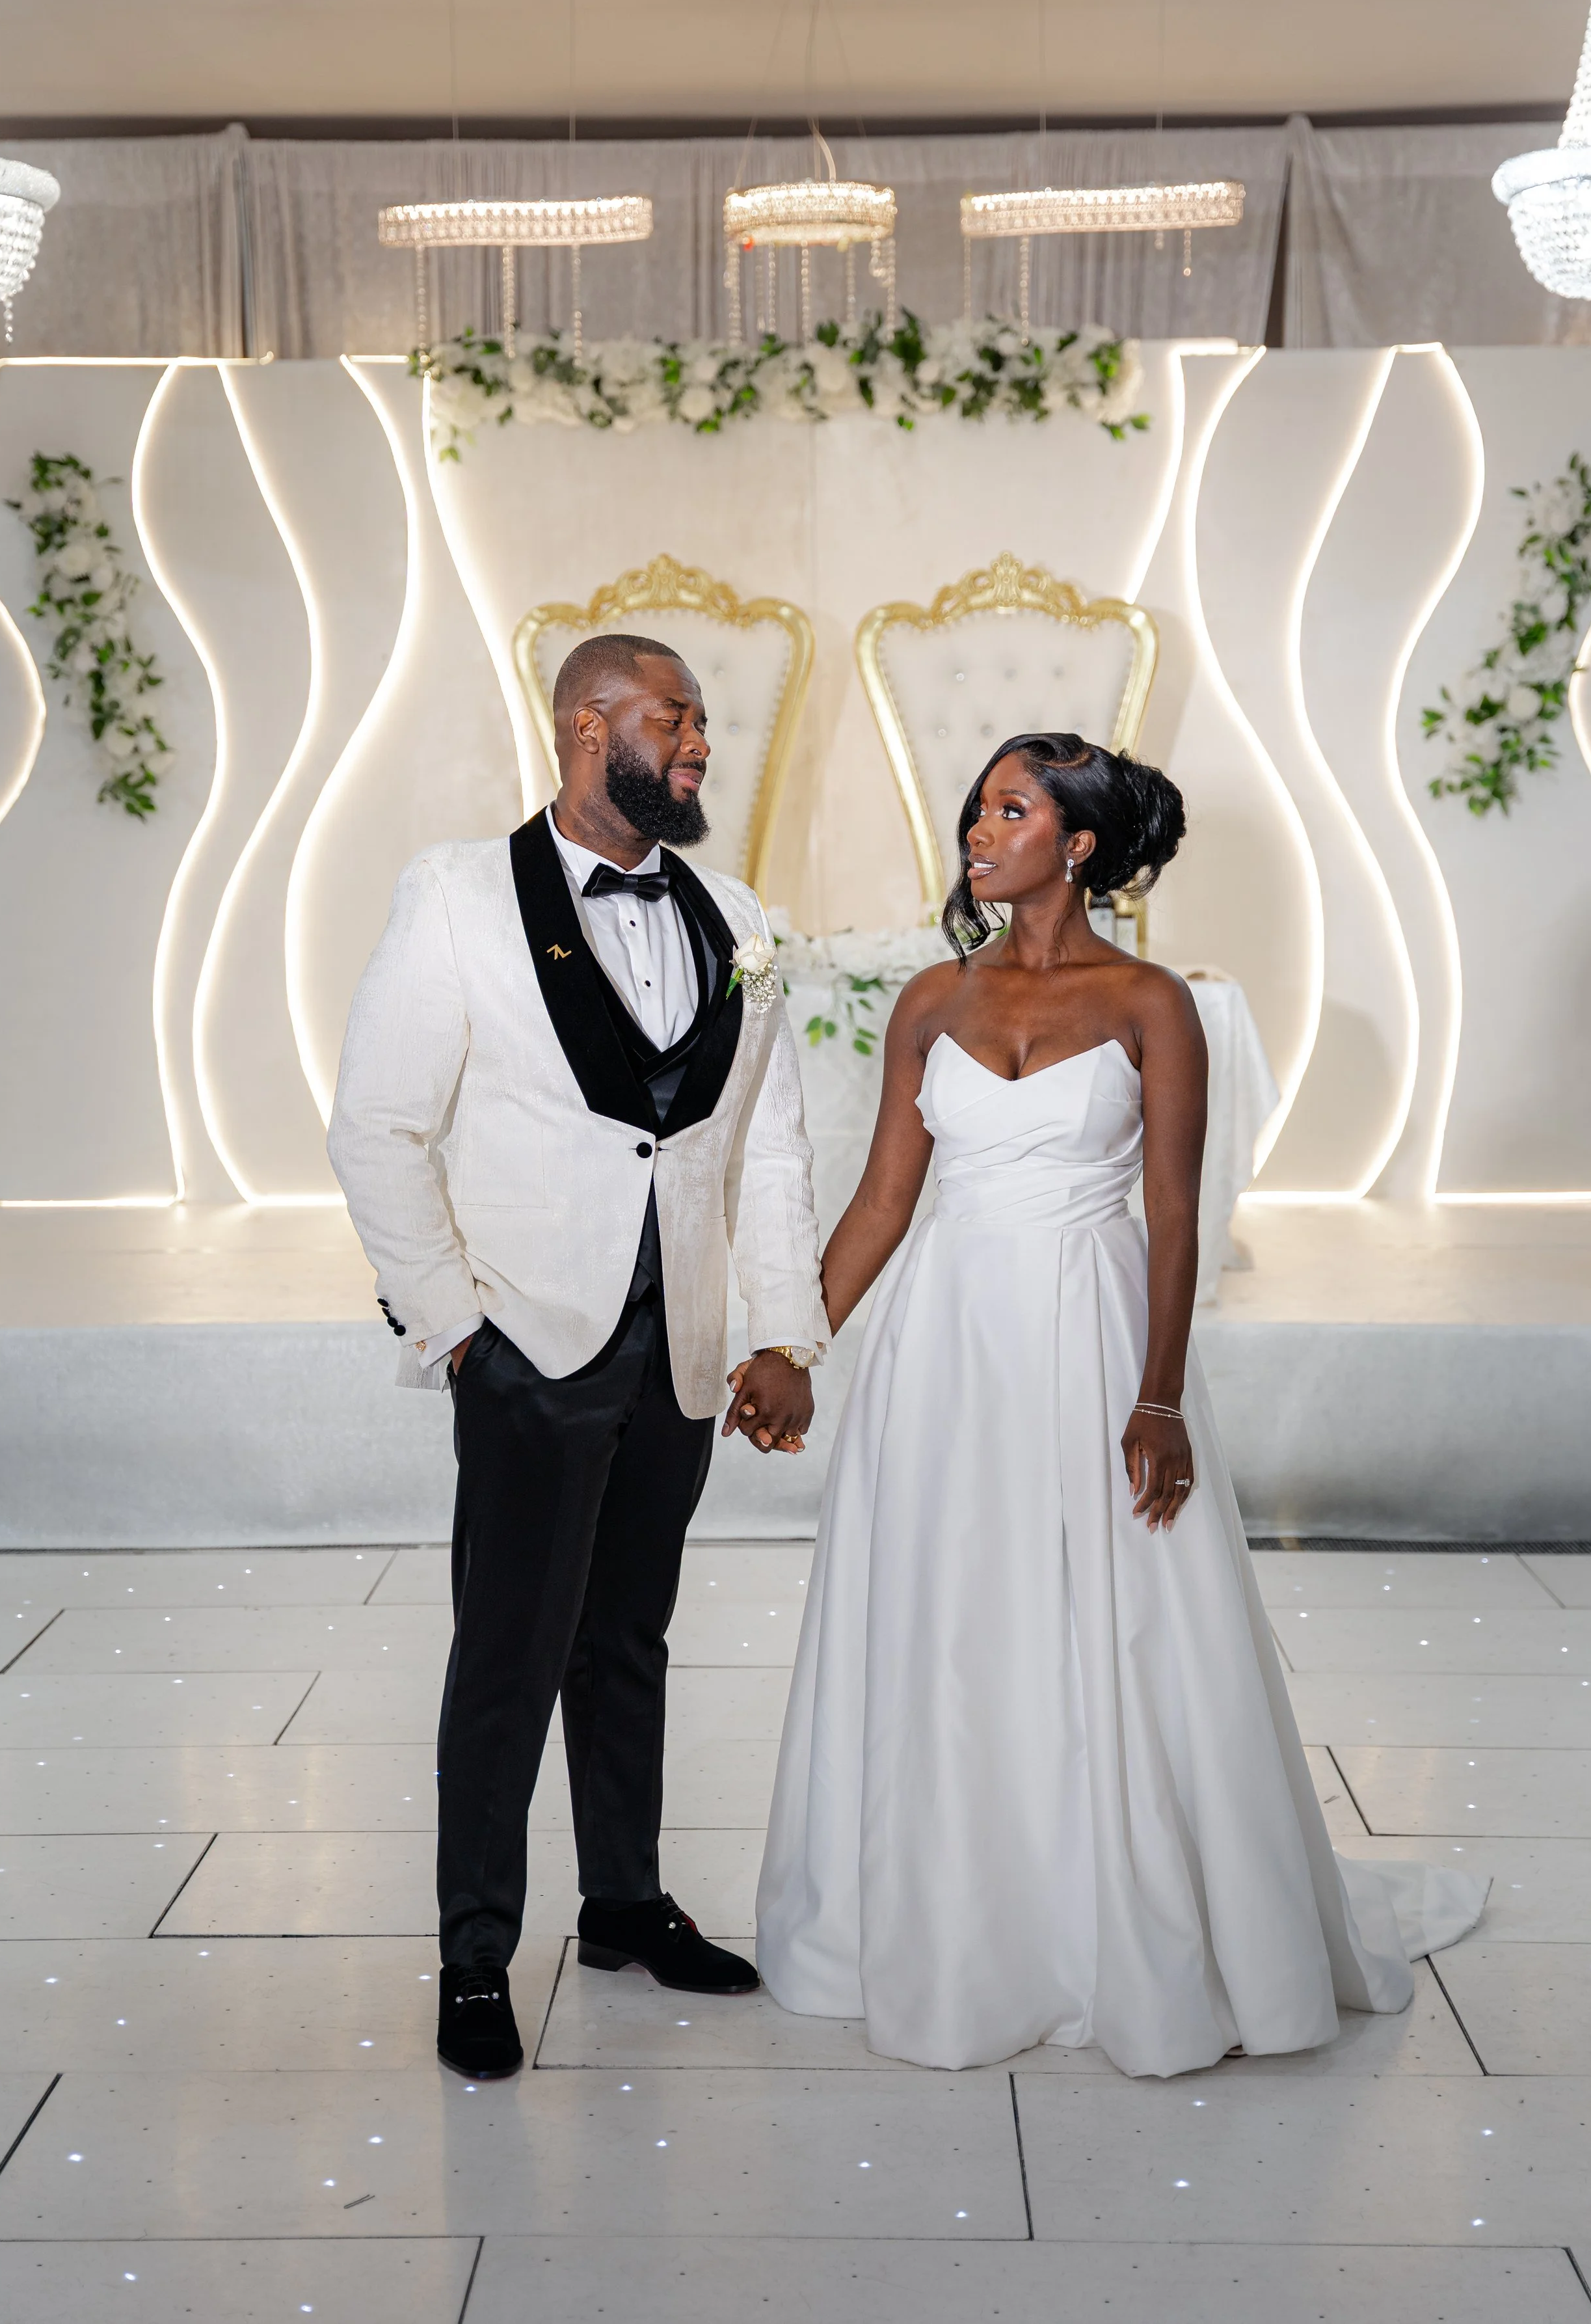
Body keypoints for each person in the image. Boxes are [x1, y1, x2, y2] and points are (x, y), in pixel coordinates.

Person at [756, 733, 1485, 2077]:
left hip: (1087, 1332)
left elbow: (1170, 1218)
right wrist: (793, 1340)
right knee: (953, 1613)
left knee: (1115, 1615)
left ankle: (1120, 1916)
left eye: (1009, 809)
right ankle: (958, 1914)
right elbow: (880, 1202)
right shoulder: (930, 1000)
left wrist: (1158, 1398)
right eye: (976, 807)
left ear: (1076, 844)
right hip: (943, 1345)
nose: (977, 828)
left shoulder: (1152, 1002)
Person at [329, 632, 827, 2081]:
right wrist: (457, 1332)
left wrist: (780, 1328)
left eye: (699, 724)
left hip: (676, 1347)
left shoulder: (734, 912)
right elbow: (377, 1128)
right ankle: (477, 1953)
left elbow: (768, 1150)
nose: (700, 747)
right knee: (508, 1657)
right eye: (675, 720)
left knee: (628, 1644)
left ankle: (621, 1902)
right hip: (528, 1345)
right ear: (583, 726)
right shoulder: (453, 895)